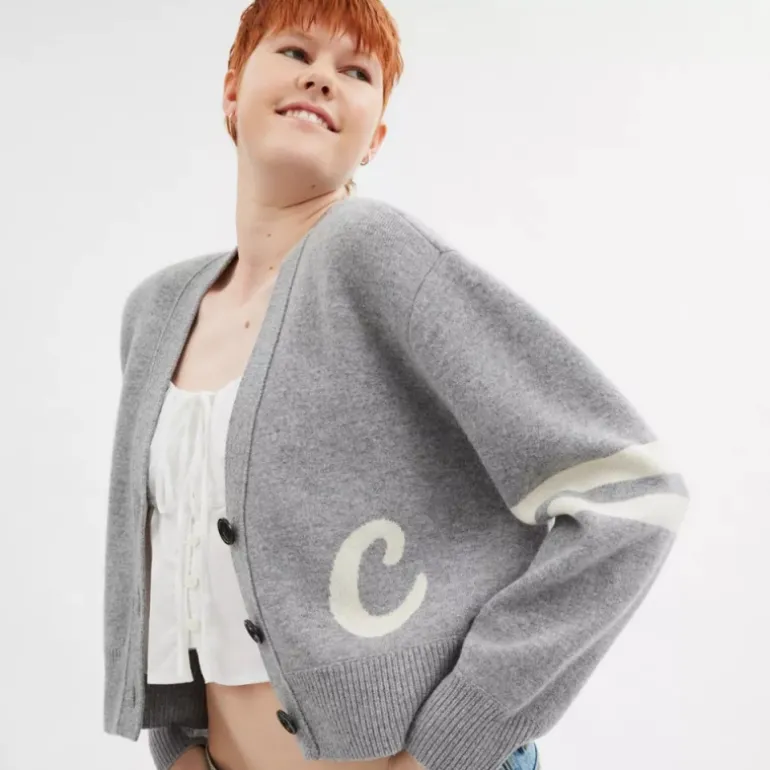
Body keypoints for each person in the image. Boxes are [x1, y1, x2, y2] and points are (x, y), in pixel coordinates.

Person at [103, 2, 690, 770]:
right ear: (231, 90)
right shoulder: (156, 313)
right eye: (295, 52)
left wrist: (452, 743)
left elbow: (633, 496)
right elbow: (172, 571)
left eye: (356, 71)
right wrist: (178, 748)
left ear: (374, 136)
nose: (322, 77)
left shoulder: (370, 252)